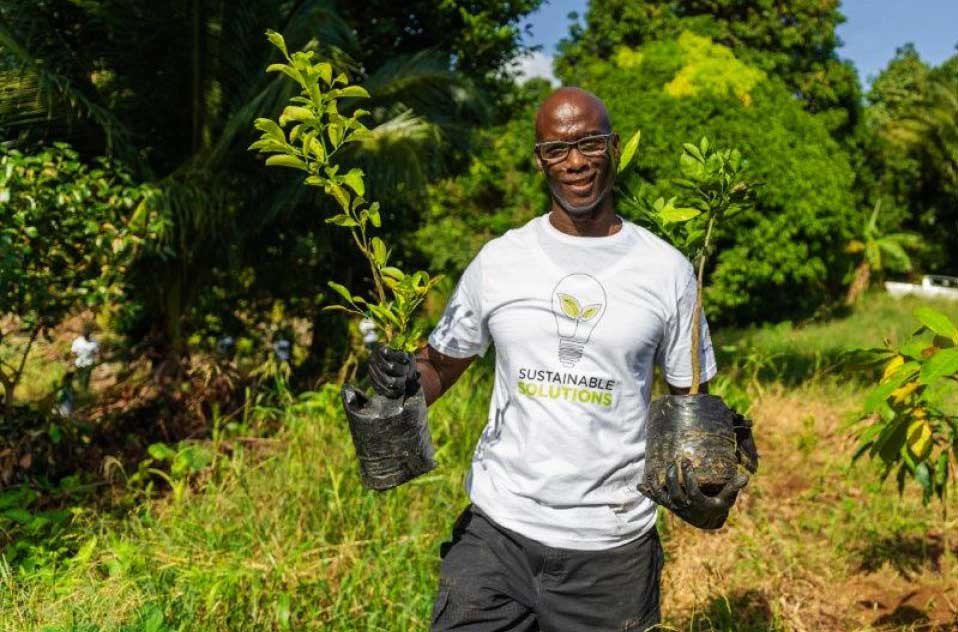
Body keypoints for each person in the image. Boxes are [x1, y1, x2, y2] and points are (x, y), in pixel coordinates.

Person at [368, 87, 750, 631]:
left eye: (590, 143)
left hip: (613, 550)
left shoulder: (666, 271)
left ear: (614, 147)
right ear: (539, 159)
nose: (575, 162)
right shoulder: (499, 261)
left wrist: (713, 465)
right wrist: (402, 377)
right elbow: (440, 365)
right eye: (556, 149)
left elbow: (692, 398)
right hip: (497, 534)